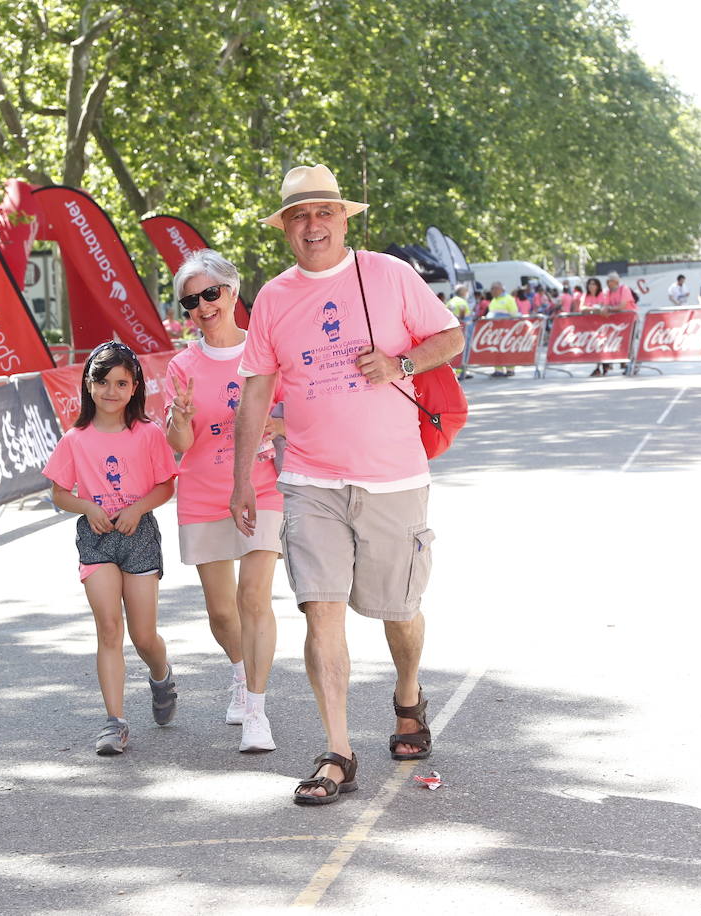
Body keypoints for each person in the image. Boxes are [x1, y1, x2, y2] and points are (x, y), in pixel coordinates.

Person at [229, 163, 464, 806]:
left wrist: (401, 362)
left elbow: (452, 335)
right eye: (299, 215)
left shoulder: (388, 274)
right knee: (320, 610)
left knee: (401, 613)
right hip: (309, 478)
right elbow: (255, 393)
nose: (312, 225)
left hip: (394, 477)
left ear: (343, 218)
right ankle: (338, 751)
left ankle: (408, 695)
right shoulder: (274, 297)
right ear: (285, 228)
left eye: (323, 212)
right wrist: (242, 479)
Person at [164, 250, 284, 753]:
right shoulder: (180, 366)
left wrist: (275, 425)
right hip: (203, 491)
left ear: (233, 292)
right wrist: (179, 417)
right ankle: (240, 673)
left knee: (253, 597)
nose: (203, 306)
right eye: (192, 300)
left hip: (262, 486)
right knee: (220, 612)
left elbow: (293, 412)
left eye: (211, 293)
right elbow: (178, 444)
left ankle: (256, 709)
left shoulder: (267, 351)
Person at [43, 341, 179, 756]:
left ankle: (161, 675)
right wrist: (86, 506)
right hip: (97, 538)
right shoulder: (75, 439)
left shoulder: (149, 434)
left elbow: (166, 485)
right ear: (88, 384)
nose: (110, 391)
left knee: (142, 635)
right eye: (102, 382)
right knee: (108, 629)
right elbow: (59, 493)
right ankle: (114, 723)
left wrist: (138, 508)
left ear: (134, 386)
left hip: (138, 536)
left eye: (121, 383)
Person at [486, 281, 520, 377]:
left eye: (492, 289)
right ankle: (498, 370)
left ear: (498, 289)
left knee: (507, 349)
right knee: (495, 349)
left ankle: (510, 369)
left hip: (506, 329)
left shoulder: (508, 299)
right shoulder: (493, 301)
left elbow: (514, 314)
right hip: (495, 331)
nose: (491, 291)